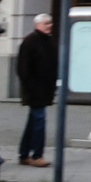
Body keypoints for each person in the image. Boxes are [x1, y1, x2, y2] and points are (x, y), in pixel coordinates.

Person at [14, 12, 58, 167]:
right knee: (39, 121)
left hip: (44, 90)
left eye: (50, 23)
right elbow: (23, 69)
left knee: (33, 121)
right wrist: (32, 88)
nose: (50, 25)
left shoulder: (49, 42)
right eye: (46, 23)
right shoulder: (30, 42)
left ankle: (24, 154)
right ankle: (37, 155)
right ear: (37, 25)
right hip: (35, 91)